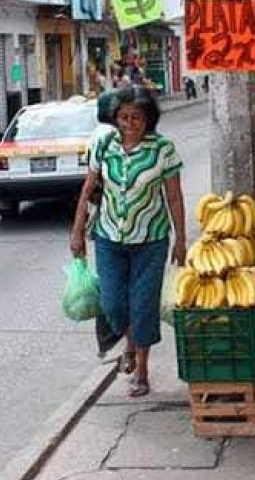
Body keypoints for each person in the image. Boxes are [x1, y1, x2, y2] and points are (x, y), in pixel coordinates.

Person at [70, 86, 187, 398]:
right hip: (108, 237)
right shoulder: (104, 146)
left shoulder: (163, 149)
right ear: (115, 119)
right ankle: (130, 343)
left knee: (143, 305)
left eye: (137, 117)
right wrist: (77, 230)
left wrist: (181, 239)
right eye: (123, 117)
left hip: (151, 240)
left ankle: (142, 369)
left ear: (149, 119)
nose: (130, 123)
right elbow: (88, 190)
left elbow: (174, 197)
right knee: (112, 303)